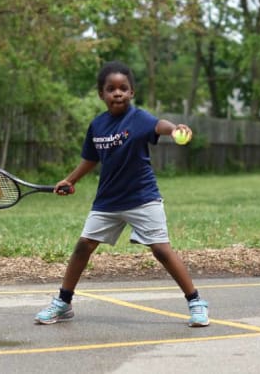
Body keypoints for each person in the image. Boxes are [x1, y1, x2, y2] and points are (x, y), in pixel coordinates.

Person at [35, 60, 209, 326]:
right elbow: (90, 159)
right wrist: (70, 180)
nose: (117, 93)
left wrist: (175, 129)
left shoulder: (138, 119)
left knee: (161, 250)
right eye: (111, 89)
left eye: (123, 88)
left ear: (131, 93)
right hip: (108, 200)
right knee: (83, 246)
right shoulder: (97, 125)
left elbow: (158, 125)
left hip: (142, 197)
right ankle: (63, 303)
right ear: (101, 94)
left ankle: (196, 302)